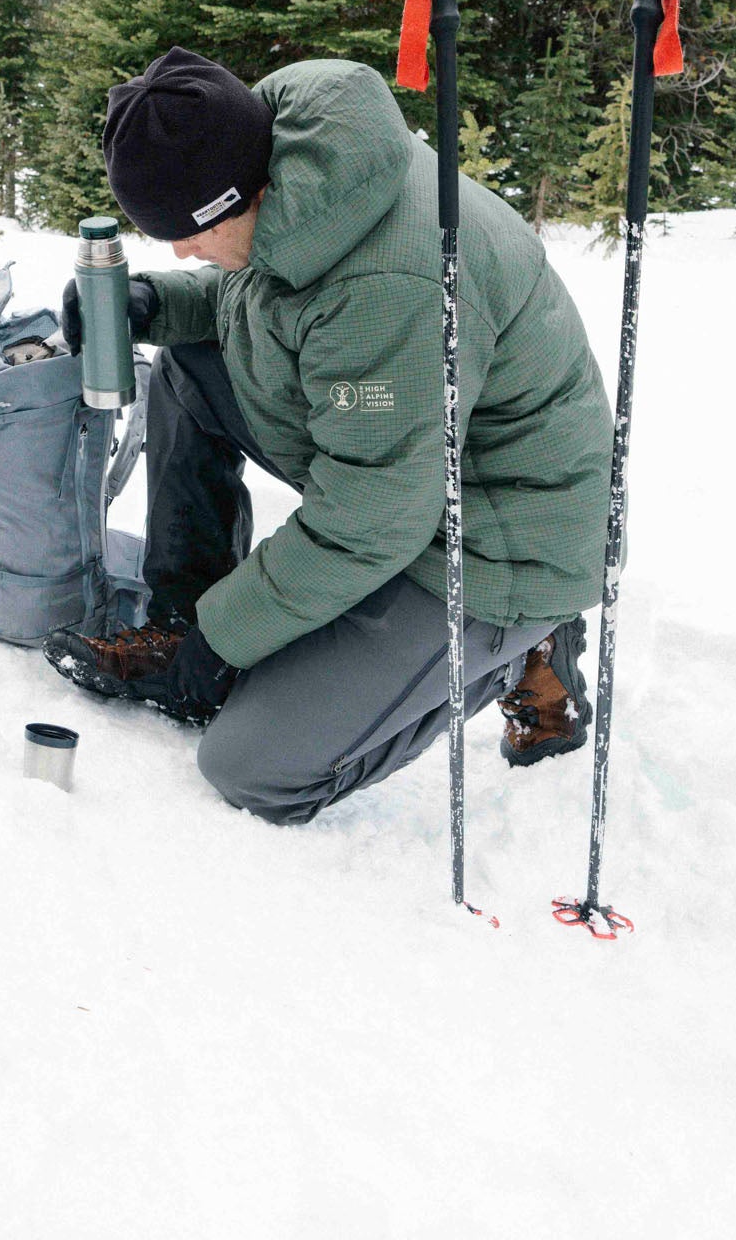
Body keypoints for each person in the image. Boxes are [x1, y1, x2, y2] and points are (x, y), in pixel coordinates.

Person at [45, 48, 614, 826]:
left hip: (496, 541)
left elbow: (368, 519)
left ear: (233, 200)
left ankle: (525, 646)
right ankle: (178, 622)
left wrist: (228, 638)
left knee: (252, 769)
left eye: (184, 234)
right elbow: (268, 292)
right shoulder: (303, 173)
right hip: (408, 465)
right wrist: (153, 303)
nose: (180, 250)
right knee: (188, 366)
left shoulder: (388, 289)